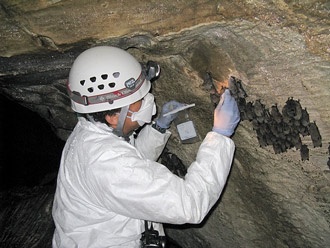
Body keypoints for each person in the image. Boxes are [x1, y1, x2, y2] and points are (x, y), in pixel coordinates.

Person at [52, 46, 240, 248]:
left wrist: (158, 128)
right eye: (139, 101)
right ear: (113, 116)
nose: (148, 102)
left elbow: (133, 167)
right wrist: (220, 137)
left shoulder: (91, 134)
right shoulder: (105, 162)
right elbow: (188, 204)